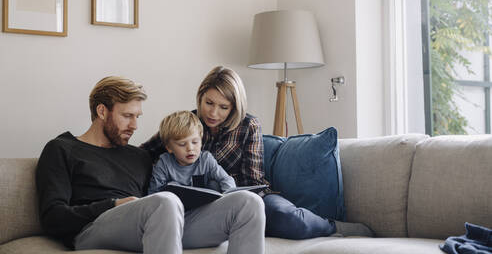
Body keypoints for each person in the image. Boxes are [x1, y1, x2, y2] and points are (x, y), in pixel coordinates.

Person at [36, 76, 265, 254]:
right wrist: (113, 204)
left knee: (248, 203)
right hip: (92, 229)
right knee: (164, 201)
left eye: (138, 117)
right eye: (127, 116)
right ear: (102, 111)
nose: (135, 125)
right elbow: (53, 218)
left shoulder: (139, 156)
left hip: (156, 223)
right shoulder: (62, 149)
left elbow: (175, 152)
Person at [141, 66, 374, 239]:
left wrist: (227, 193)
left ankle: (335, 227)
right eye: (208, 103)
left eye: (223, 107)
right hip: (204, 210)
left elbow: (253, 180)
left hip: (252, 199)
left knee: (289, 220)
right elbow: (142, 154)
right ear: (200, 97)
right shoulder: (186, 125)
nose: (213, 113)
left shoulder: (248, 125)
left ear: (234, 106)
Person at [147, 110, 236, 195]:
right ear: (169, 148)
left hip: (204, 206)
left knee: (214, 185)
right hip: (176, 208)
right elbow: (154, 193)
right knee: (171, 187)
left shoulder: (206, 159)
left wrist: (228, 197)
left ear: (201, 141)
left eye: (195, 142)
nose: (190, 148)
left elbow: (226, 179)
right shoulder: (164, 163)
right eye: (182, 144)